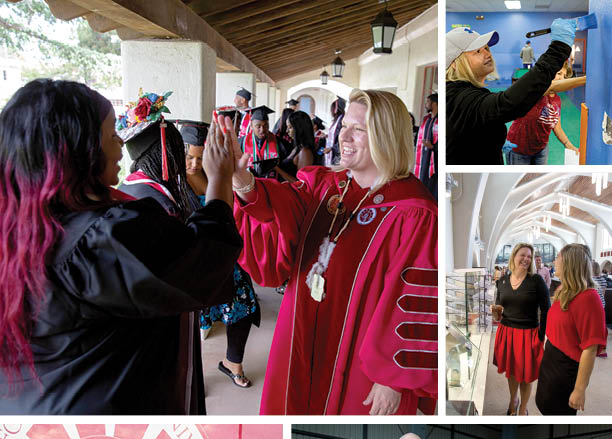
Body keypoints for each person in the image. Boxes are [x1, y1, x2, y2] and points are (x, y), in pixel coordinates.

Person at [0, 79, 240, 415]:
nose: (119, 149)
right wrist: (220, 178)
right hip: (95, 404)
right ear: (77, 149)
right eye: (112, 135)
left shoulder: (20, 227)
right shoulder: (105, 236)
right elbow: (205, 259)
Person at [231, 88, 438, 415]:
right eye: (344, 126)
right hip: (300, 331)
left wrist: (393, 380)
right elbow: (280, 210)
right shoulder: (325, 185)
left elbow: (413, 304)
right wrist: (244, 182)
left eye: (359, 129)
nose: (345, 136)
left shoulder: (414, 212)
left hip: (365, 362)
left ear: (386, 136)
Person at [179, 120, 260, 389]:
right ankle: (190, 377)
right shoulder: (173, 183)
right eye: (188, 157)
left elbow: (228, 213)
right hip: (191, 264)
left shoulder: (213, 176)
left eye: (200, 158)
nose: (193, 164)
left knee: (245, 302)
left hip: (222, 257)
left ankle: (232, 363)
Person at [446, 20, 576, 164]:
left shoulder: (470, 92)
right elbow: (507, 104)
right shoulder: (456, 97)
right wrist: (559, 47)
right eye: (478, 51)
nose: (488, 54)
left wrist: (492, 143)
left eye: (487, 48)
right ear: (454, 63)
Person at [536, 244, 607, 415]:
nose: (554, 261)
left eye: (558, 257)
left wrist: (579, 389)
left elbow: (590, 349)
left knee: (557, 412)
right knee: (544, 406)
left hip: (565, 368)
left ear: (569, 262)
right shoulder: (564, 290)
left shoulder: (589, 298)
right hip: (551, 360)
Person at [491, 242, 550, 415]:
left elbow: (547, 309)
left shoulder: (536, 280)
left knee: (526, 375)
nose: (526, 259)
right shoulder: (502, 281)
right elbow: (500, 308)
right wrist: (496, 314)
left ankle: (523, 409)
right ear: (514, 256)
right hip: (507, 332)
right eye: (522, 255)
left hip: (529, 333)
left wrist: (541, 335)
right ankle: (513, 400)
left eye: (529, 256)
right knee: (511, 373)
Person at [118, 93, 194, 220]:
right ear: (165, 154)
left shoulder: (126, 187)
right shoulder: (161, 205)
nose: (181, 157)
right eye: (177, 150)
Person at [506, 63, 582, 165]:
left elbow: (556, 126)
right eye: (558, 74)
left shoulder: (557, 100)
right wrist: (586, 79)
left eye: (563, 76)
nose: (561, 79)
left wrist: (568, 144)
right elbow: (551, 87)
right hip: (519, 150)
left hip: (541, 150)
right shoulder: (537, 91)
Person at [239, 105, 289, 180]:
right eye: (258, 126)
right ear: (251, 126)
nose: (262, 130)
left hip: (272, 186)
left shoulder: (280, 143)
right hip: (248, 185)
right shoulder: (241, 143)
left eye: (265, 125)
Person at [276, 110, 316, 181]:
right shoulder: (297, 147)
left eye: (290, 127)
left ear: (299, 128)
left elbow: (301, 184)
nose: (287, 131)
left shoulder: (305, 152)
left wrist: (277, 169)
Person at [413, 93, 437, 198]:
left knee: (432, 189)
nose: (425, 104)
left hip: (435, 163)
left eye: (427, 102)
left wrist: (433, 147)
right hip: (424, 161)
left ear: (434, 103)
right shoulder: (426, 120)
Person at [591, 260, 609, 358]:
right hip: (602, 305)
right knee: (602, 327)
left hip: (595, 307)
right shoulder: (603, 280)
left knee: (595, 329)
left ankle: (597, 349)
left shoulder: (591, 280)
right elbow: (603, 293)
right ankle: (603, 349)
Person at [323, 97, 345, 165]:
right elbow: (336, 135)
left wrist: (332, 148)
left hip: (337, 155)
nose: (331, 111)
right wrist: (327, 135)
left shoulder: (342, 120)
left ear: (335, 109)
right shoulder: (337, 119)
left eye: (332, 109)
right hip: (332, 152)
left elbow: (342, 138)